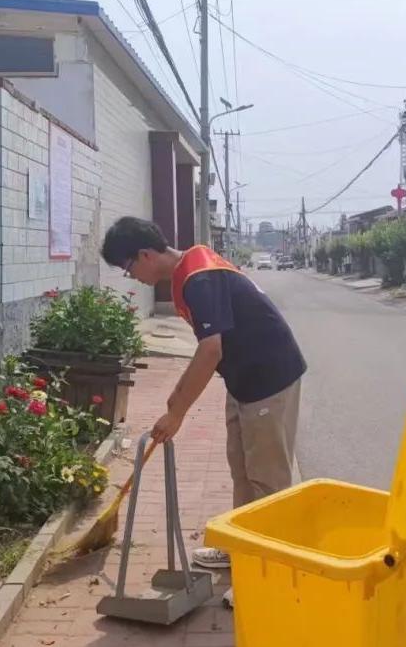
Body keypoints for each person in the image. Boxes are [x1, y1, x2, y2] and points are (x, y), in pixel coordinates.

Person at [101, 217, 306, 608]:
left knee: (268, 480)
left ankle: (270, 576)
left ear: (145, 255)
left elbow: (211, 350)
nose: (133, 277)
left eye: (129, 268)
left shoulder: (198, 278)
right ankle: (240, 549)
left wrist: (176, 413)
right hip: (245, 379)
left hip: (270, 379)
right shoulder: (190, 268)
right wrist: (174, 401)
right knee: (243, 472)